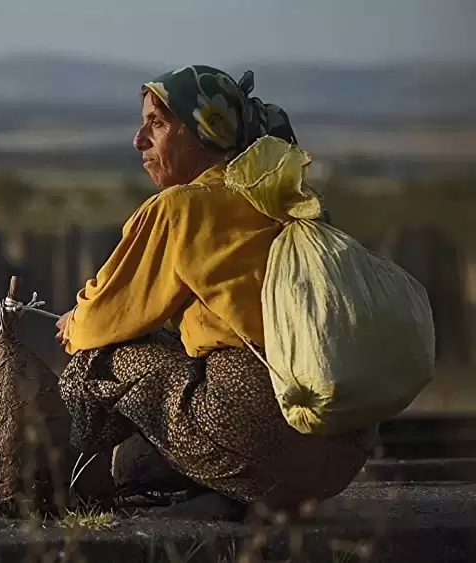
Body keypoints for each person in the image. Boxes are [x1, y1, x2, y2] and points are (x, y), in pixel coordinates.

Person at [53, 65, 374, 520]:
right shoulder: (287, 199)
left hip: (262, 433)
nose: (139, 140)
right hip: (341, 456)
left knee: (97, 361)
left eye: (157, 124)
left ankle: (64, 489)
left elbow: (100, 321)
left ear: (205, 131)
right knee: (181, 351)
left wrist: (73, 322)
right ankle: (219, 494)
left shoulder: (181, 208)